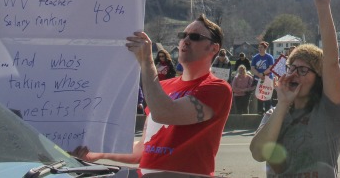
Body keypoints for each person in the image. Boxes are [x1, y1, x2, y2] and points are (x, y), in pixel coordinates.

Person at [74, 15, 232, 176]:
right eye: (183, 35)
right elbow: (141, 150)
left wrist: (146, 61)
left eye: (195, 37)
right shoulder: (161, 87)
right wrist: (98, 153)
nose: (186, 40)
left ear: (214, 48)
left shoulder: (217, 88)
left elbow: (164, 113)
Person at [250, 0, 340, 177]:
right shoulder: (274, 113)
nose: (294, 74)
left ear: (318, 78)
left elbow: (331, 64)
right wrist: (283, 104)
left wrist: (323, 8)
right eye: (291, 68)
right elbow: (258, 153)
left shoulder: (328, 111)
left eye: (303, 70)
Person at [252, 42, 276, 114]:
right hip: (258, 78)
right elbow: (253, 68)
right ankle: (260, 110)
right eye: (259, 47)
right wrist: (258, 74)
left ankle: (267, 110)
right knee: (259, 94)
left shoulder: (269, 57)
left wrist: (263, 74)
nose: (260, 49)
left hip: (268, 78)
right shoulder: (255, 57)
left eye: (261, 47)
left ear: (265, 48)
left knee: (267, 94)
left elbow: (271, 68)